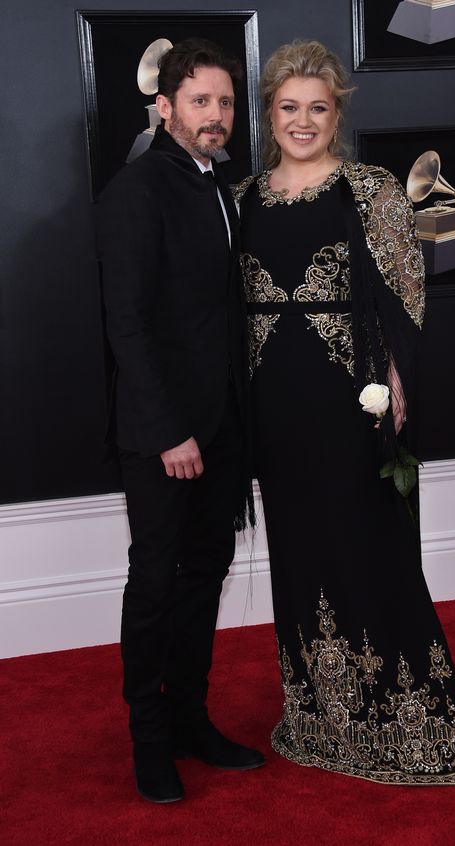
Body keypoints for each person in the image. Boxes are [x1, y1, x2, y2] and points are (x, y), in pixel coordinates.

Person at [234, 40, 455, 786]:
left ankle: (412, 723)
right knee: (301, 555)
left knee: (369, 550)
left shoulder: (370, 189)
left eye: (318, 108)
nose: (303, 121)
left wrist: (397, 384)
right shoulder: (242, 197)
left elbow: (406, 294)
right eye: (289, 108)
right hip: (273, 412)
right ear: (270, 113)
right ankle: (319, 716)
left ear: (337, 113)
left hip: (350, 404)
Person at [97, 37, 264, 804]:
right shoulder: (138, 190)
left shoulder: (214, 186)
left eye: (226, 102)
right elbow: (127, 325)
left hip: (222, 425)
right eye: (201, 100)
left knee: (207, 577)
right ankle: (149, 741)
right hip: (164, 434)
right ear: (164, 107)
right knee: (157, 582)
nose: (217, 115)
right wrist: (170, 432)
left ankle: (192, 720)